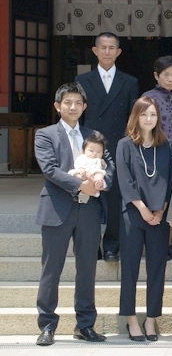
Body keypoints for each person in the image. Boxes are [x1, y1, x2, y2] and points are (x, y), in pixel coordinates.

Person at [34, 82, 115, 346]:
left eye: (78, 102)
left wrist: (102, 182)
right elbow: (50, 169)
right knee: (51, 270)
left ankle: (85, 325)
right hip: (57, 208)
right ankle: (47, 325)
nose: (73, 107)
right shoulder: (45, 135)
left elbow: (109, 163)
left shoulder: (94, 135)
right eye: (67, 102)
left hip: (89, 210)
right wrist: (80, 184)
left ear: (84, 107)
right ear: (58, 106)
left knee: (87, 269)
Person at [76, 32, 139, 262]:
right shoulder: (82, 81)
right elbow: (79, 118)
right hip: (90, 147)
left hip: (118, 146)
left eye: (112, 48)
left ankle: (112, 246)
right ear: (95, 50)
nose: (107, 52)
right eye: (103, 47)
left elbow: (132, 119)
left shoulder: (129, 82)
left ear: (118, 52)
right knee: (91, 198)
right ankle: (93, 247)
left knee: (114, 199)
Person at [116, 96, 172, 342]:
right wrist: (142, 208)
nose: (148, 119)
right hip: (133, 213)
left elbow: (169, 179)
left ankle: (151, 318)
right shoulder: (124, 145)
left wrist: (161, 210)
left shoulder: (165, 145)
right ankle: (130, 318)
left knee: (157, 269)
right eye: (144, 114)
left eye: (153, 114)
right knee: (129, 268)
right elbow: (124, 180)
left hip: (158, 217)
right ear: (135, 117)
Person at [142, 55, 172, 170]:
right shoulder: (148, 98)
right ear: (156, 75)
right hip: (157, 158)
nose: (170, 79)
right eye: (166, 74)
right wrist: (168, 156)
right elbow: (147, 130)